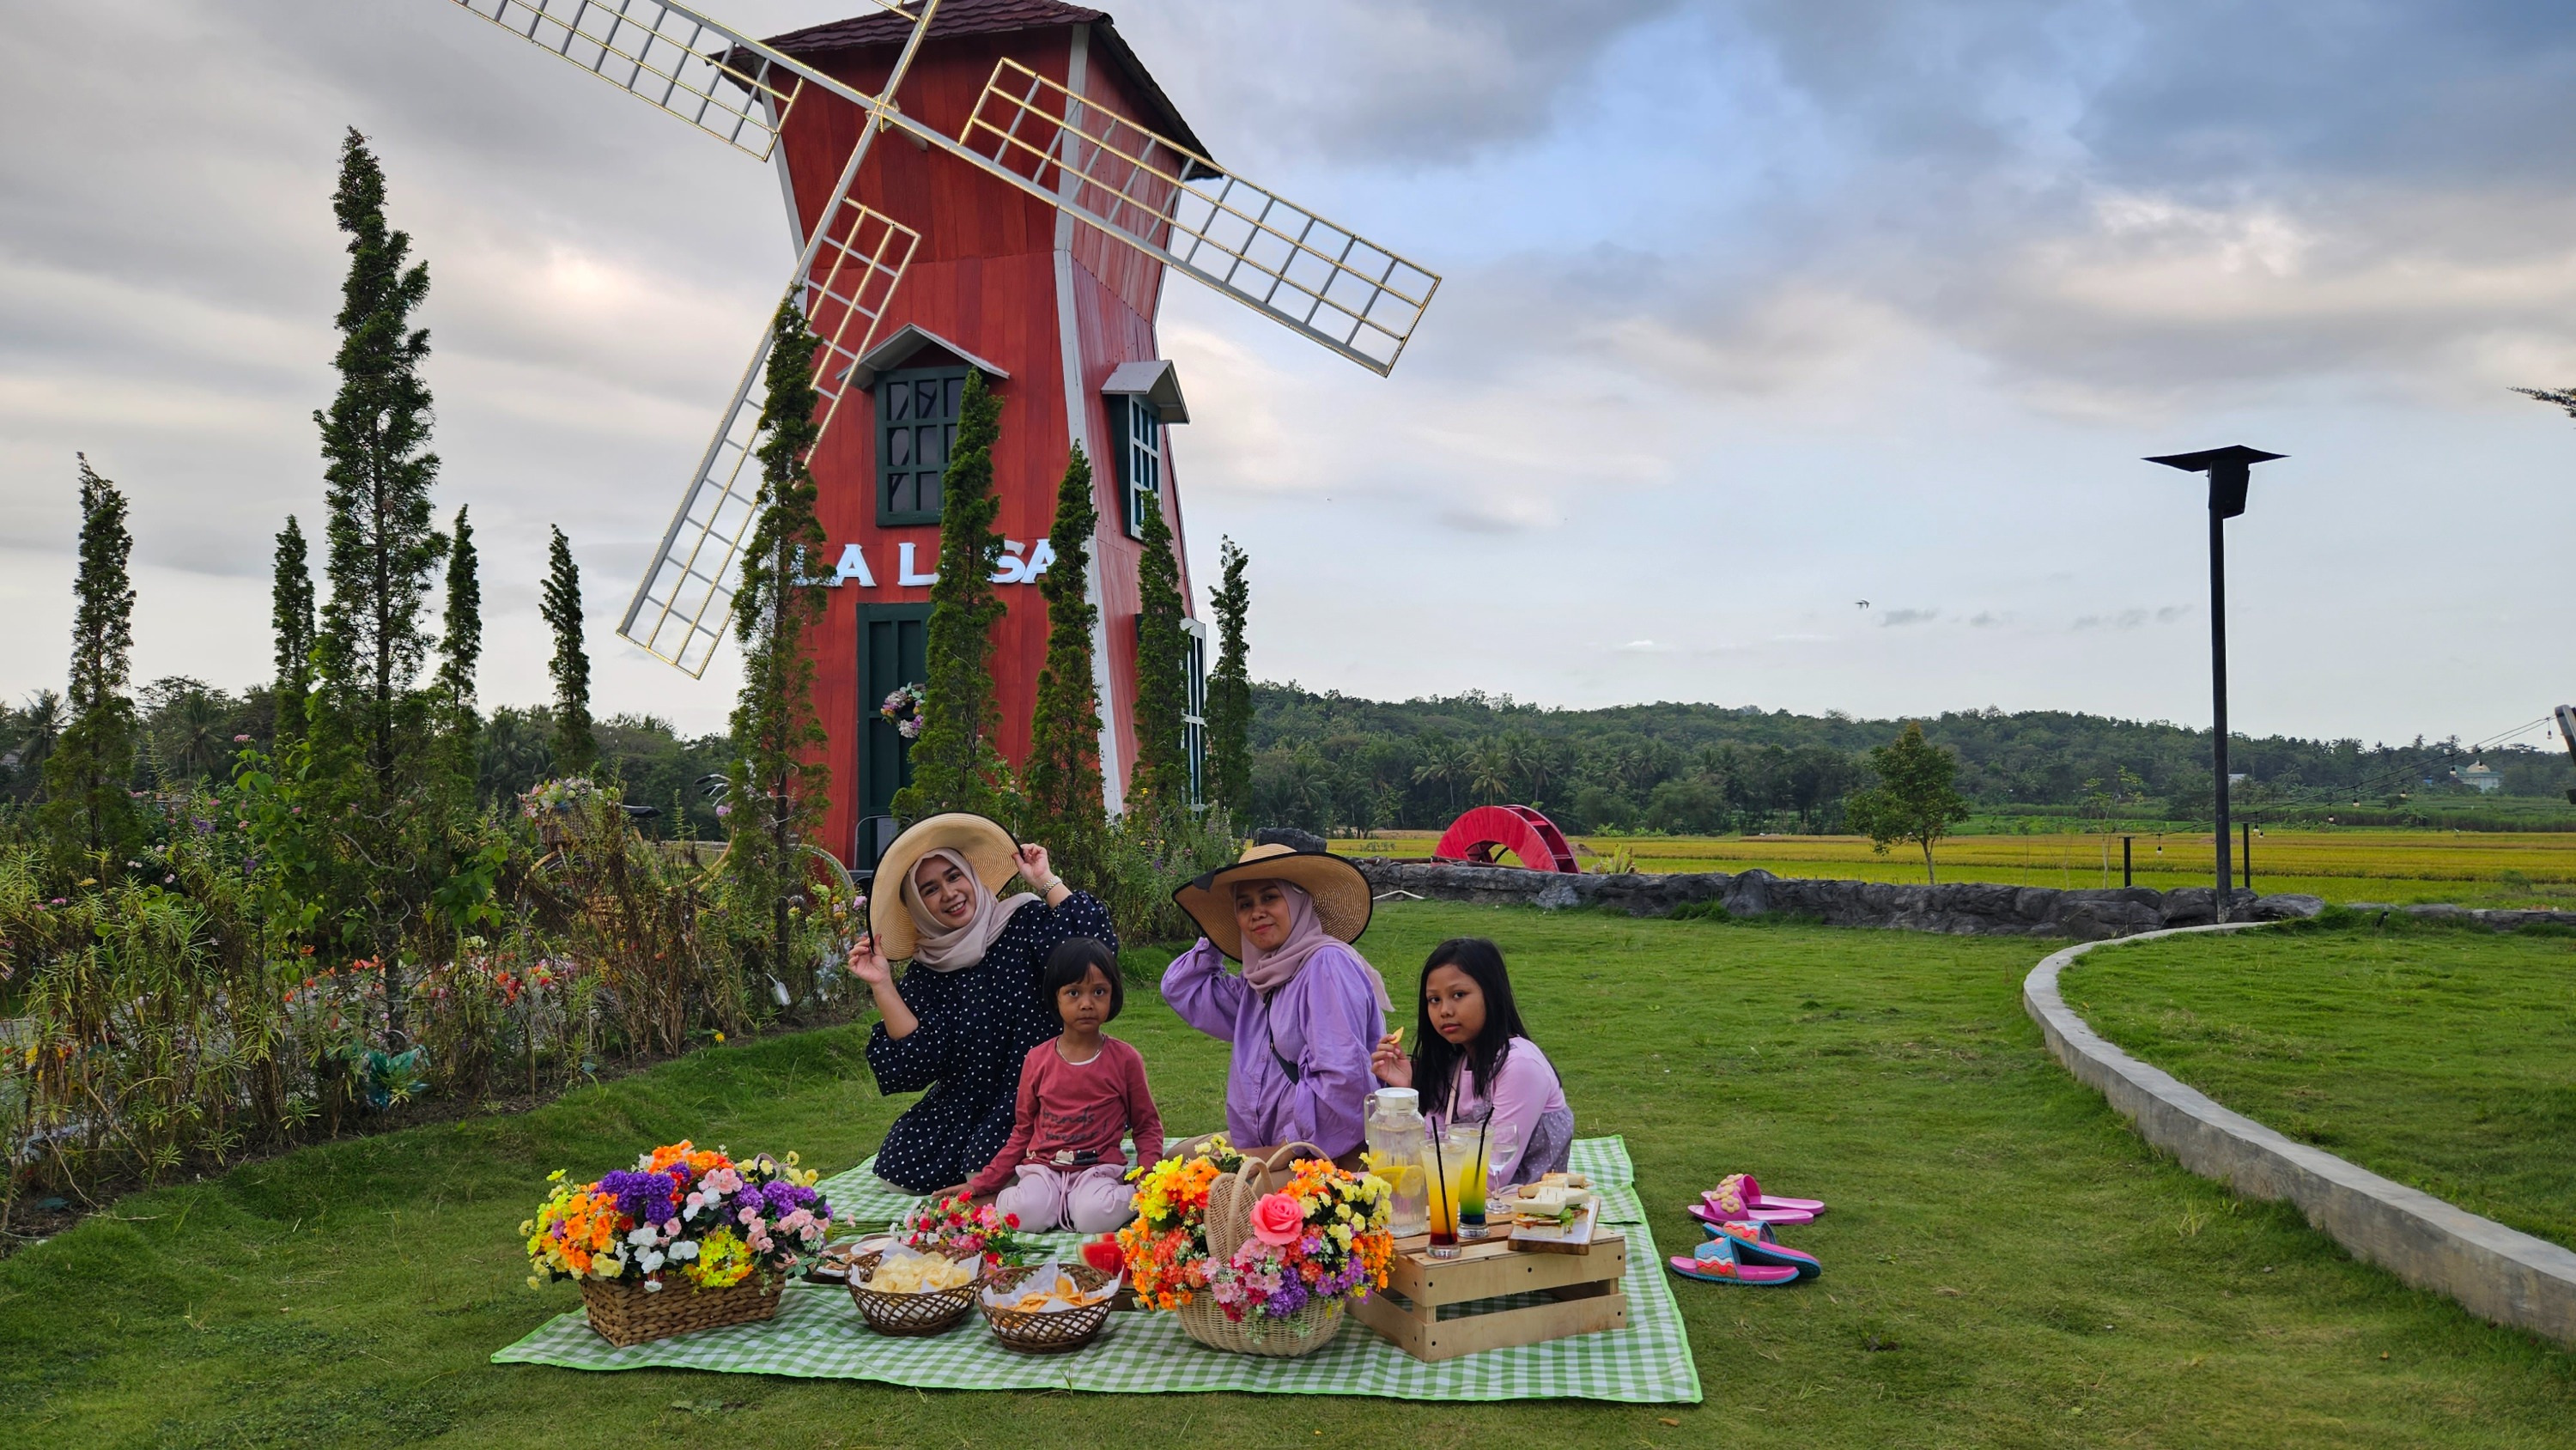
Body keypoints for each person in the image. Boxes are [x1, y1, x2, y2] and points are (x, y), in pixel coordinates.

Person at [846, 812, 1117, 1194]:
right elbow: (915, 1065)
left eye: (953, 876)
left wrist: (1045, 880)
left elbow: (1094, 951)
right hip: (966, 1099)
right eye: (930, 889)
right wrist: (882, 985)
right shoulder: (927, 971)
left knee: (984, 1172)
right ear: (918, 906)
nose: (949, 893)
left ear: (970, 876)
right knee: (897, 1168)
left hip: (1042, 1087)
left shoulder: (1023, 922)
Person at [1163, 843, 1390, 1160]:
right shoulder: (1259, 980)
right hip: (1267, 1143)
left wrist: (1283, 1150)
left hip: (1321, 1151)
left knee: (1219, 1196)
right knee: (1177, 1159)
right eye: (1244, 905)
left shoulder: (1326, 965)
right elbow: (1182, 988)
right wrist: (1217, 935)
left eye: (1270, 897)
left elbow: (1342, 1082)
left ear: (1298, 902)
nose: (1257, 912)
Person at [964, 937, 1164, 1232]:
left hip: (1097, 1170)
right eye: (1073, 993)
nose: (1086, 1004)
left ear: (1113, 996)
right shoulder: (1037, 1059)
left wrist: (1147, 1178)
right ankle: (1013, 1200)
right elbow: (1022, 1130)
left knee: (1092, 1217)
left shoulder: (1125, 1059)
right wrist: (982, 1185)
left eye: (1099, 992)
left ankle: (1124, 1198)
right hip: (1043, 1168)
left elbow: (1147, 1125)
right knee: (1025, 1213)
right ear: (1055, 997)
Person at [1370, 936, 1572, 1190]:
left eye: (1458, 995)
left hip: (1525, 1215)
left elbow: (1489, 1175)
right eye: (1434, 999)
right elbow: (1433, 1146)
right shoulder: (1458, 1061)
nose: (1445, 1010)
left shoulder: (1520, 1065)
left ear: (1491, 994)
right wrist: (1411, 1088)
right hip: (1461, 1204)